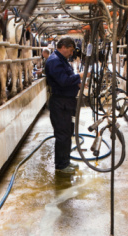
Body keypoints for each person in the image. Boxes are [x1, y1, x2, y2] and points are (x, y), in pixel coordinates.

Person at [45, 37, 84, 174]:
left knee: (67, 133)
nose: (71, 53)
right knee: (62, 135)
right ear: (63, 47)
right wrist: (79, 76)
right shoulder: (54, 61)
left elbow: (67, 78)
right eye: (71, 50)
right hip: (60, 103)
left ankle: (66, 161)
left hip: (66, 103)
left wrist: (76, 83)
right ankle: (61, 166)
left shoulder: (61, 60)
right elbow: (63, 81)